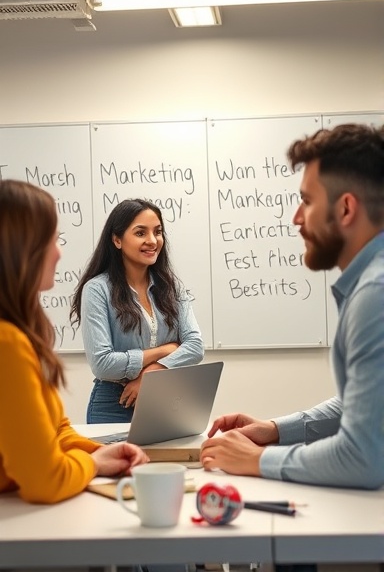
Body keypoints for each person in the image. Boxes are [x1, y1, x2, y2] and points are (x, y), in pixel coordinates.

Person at [201, 122, 384, 490]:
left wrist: (257, 460)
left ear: (346, 208)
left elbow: (362, 457)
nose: (296, 218)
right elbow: (362, 403)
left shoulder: (374, 293)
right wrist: (275, 431)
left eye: (307, 201)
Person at [0, 179, 149, 504]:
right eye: (51, 239)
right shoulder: (6, 343)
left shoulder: (18, 334)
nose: (59, 252)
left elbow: (56, 429)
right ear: (20, 249)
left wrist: (101, 452)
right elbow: (46, 481)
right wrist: (93, 463)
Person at [70, 198, 204, 424]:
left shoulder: (172, 287)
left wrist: (153, 371)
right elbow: (103, 364)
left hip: (168, 400)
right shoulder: (97, 289)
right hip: (115, 404)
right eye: (140, 233)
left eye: (158, 232)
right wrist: (165, 350)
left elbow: (195, 347)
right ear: (117, 240)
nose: (153, 241)